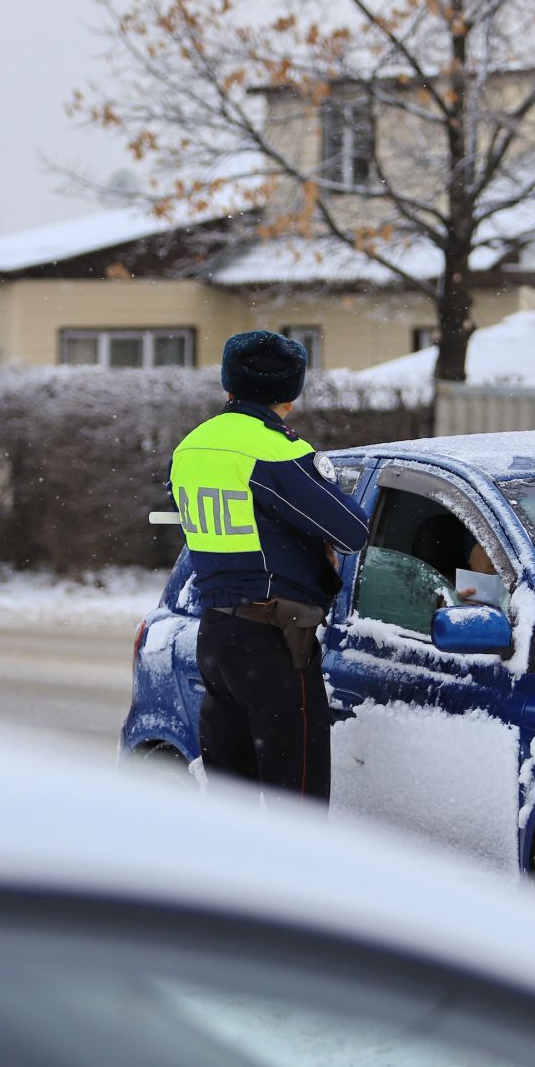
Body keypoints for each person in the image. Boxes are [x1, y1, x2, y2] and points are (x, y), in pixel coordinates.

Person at [169, 330, 371, 803]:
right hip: (276, 640)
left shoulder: (192, 446)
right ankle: (289, 880)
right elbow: (351, 532)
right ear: (291, 394)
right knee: (294, 803)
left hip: (217, 635)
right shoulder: (274, 450)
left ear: (229, 386)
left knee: (231, 801)